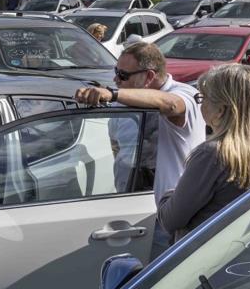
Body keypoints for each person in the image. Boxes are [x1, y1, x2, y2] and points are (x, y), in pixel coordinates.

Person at [75, 41, 205, 256]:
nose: (116, 80)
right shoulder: (123, 103)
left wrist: (113, 94)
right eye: (116, 72)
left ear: (149, 76)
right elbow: (116, 146)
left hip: (173, 214)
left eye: (124, 75)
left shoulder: (184, 94)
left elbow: (171, 105)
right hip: (131, 207)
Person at [157, 64, 250, 241]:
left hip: (204, 260)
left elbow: (170, 219)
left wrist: (170, 193)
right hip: (249, 258)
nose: (200, 105)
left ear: (221, 110)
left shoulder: (213, 154)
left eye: (203, 99)